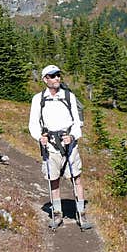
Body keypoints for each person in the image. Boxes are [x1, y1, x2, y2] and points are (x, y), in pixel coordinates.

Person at [28, 64, 92, 230]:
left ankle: (81, 214)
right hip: (50, 144)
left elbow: (77, 123)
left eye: (58, 75)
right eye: (52, 76)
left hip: (69, 143)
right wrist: (39, 137)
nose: (56, 78)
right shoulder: (38, 99)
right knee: (53, 179)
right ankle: (57, 214)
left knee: (76, 177)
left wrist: (72, 136)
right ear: (45, 79)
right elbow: (33, 124)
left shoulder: (69, 96)